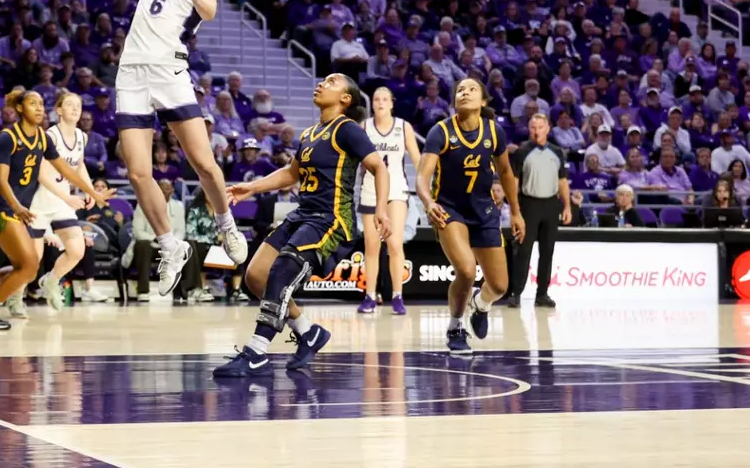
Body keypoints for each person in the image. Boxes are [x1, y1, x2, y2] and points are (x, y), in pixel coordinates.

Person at [115, 0, 249, 294]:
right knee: (137, 172)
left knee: (205, 165)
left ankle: (225, 224)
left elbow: (208, 12)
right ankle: (171, 245)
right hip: (131, 72)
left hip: (169, 73)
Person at [216, 74, 387, 376]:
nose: (322, 83)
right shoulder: (309, 134)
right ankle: (309, 333)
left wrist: (381, 209)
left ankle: (256, 351)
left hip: (331, 219)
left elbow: (378, 167)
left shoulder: (347, 129)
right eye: (323, 80)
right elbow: (291, 173)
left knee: (282, 269)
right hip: (302, 214)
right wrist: (252, 188)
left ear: (346, 99)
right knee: (255, 277)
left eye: (332, 82)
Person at [0, 88, 93, 330]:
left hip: (27, 206)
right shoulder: (10, 137)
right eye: (33, 104)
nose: (38, 108)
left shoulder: (44, 138)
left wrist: (92, 191)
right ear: (20, 108)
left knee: (26, 267)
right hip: (5, 207)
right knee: (28, 267)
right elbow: (4, 179)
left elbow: (71, 168)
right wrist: (19, 206)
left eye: (41, 104)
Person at [415, 76, 522, 354]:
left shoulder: (494, 132)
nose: (465, 92)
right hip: (449, 209)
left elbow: (507, 173)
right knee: (465, 269)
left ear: (483, 101)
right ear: (454, 100)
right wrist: (428, 203)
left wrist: (517, 213)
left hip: (484, 211)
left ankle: (481, 304)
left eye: (472, 89)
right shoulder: (440, 132)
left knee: (499, 286)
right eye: (460, 89)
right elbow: (422, 178)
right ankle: (455, 327)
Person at [31, 91, 106, 309]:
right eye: (70, 105)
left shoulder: (82, 137)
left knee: (77, 250)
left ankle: (51, 280)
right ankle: (15, 297)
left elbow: (79, 166)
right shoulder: (50, 136)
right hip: (42, 202)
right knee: (30, 263)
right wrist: (68, 196)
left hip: (63, 202)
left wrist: (91, 191)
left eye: (78, 106)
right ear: (58, 110)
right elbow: (41, 175)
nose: (75, 109)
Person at [357, 86, 420, 316]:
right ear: (372, 103)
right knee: (371, 247)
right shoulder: (364, 128)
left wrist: (429, 184)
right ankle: (370, 296)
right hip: (369, 192)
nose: (381, 102)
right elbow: (355, 162)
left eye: (385, 99)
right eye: (376, 99)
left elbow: (417, 159)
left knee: (394, 245)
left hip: (397, 192)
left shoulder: (403, 127)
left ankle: (397, 296)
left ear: (392, 103)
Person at [501, 111, 571, 307]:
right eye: (533, 128)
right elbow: (513, 183)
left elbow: (563, 181)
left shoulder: (557, 152)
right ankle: (516, 293)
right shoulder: (522, 152)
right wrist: (515, 209)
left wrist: (567, 206)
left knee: (547, 252)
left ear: (548, 128)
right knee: (523, 250)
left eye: (540, 128)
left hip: (550, 204)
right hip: (528, 204)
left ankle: (542, 294)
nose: (536, 131)